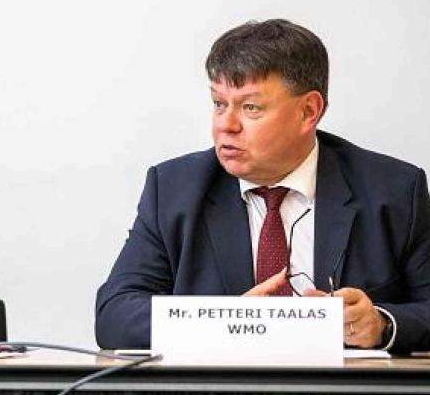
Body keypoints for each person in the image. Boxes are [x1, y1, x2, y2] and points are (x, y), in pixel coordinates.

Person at [95, 19, 430, 353]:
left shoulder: (395, 191)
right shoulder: (173, 189)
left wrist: (382, 324)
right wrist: (230, 322)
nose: (226, 125)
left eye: (250, 107)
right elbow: (115, 315)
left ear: (308, 111)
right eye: (219, 103)